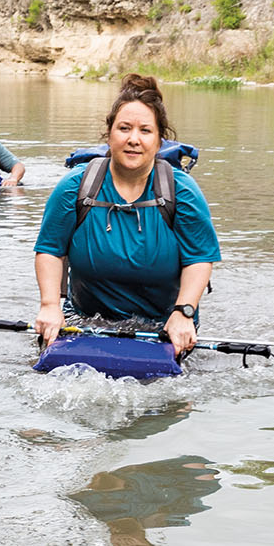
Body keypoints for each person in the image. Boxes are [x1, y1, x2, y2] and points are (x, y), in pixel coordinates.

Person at [33, 74, 221, 356]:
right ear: (109, 135)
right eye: (124, 128)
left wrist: (184, 312)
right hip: (85, 319)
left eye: (145, 131)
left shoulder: (181, 191)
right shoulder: (75, 186)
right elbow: (49, 250)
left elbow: (200, 258)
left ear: (159, 142)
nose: (134, 139)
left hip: (165, 322)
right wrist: (49, 306)